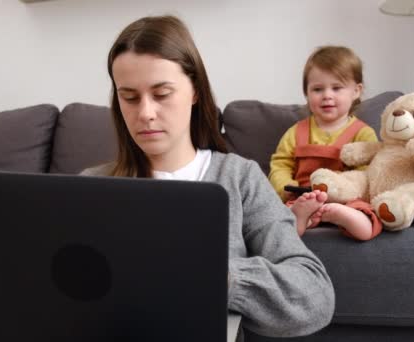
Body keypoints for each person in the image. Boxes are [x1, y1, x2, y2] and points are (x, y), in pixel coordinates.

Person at [80, 15, 334, 337]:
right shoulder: (90, 185)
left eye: (161, 93)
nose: (145, 113)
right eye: (129, 97)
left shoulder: (240, 178)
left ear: (195, 91)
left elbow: (315, 297)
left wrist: (217, 277)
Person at [268, 46, 382, 241]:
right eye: (318, 89)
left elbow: (367, 173)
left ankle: (343, 215)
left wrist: (342, 194)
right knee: (280, 222)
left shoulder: (363, 133)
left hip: (346, 198)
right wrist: (288, 188)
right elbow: (280, 165)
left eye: (336, 88)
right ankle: (301, 217)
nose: (327, 95)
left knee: (365, 215)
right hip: (303, 196)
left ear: (356, 91)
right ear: (307, 93)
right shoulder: (296, 132)